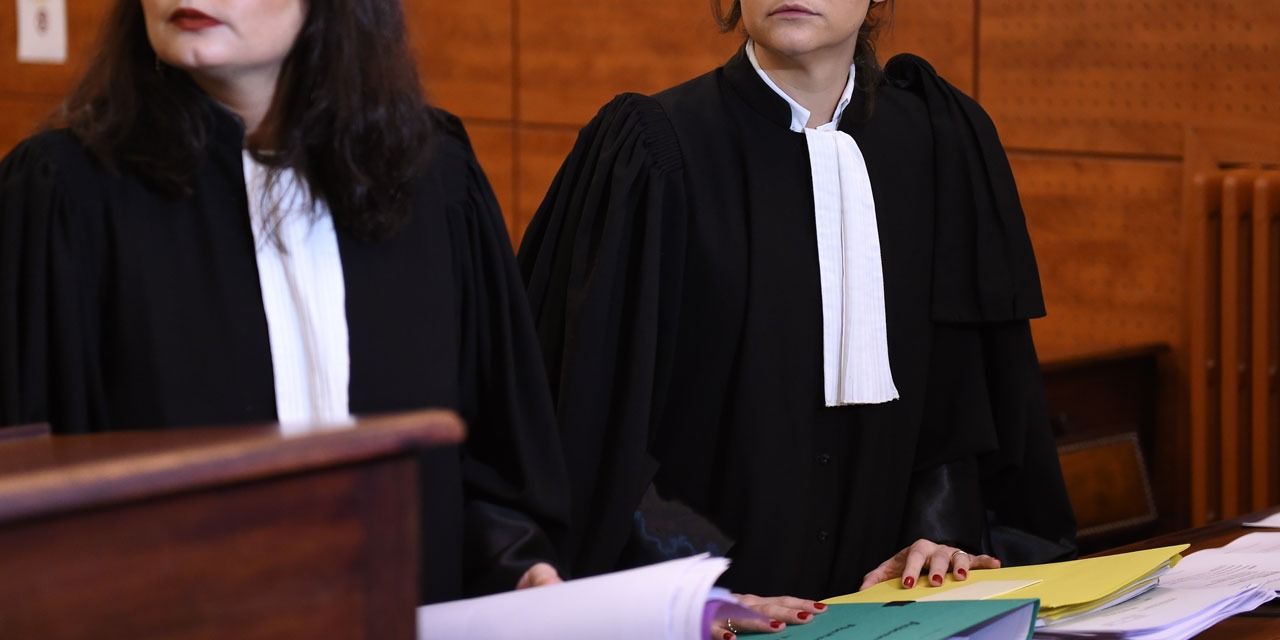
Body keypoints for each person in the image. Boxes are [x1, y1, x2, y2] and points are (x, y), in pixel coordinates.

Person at [520, 0, 1077, 633]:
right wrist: (695, 592)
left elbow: (963, 399)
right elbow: (587, 427)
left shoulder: (938, 141)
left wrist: (937, 540)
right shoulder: (653, 150)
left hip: (889, 618)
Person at [0, 0, 567, 604]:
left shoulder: (433, 178)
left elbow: (490, 480)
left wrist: (515, 570)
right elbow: (31, 530)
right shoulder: (65, 199)